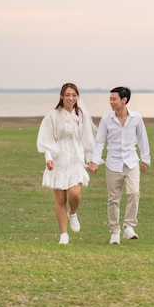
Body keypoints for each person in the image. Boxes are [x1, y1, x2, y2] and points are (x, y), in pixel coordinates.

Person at [88, 86, 151, 245]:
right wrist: (95, 161)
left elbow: (142, 139)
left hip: (131, 162)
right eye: (110, 99)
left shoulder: (136, 118)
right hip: (113, 164)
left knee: (134, 192)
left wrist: (145, 159)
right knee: (113, 199)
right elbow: (100, 141)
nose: (111, 102)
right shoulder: (106, 120)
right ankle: (114, 232)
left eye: (114, 99)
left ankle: (129, 227)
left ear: (124, 100)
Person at [36, 83, 96, 244]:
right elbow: (47, 138)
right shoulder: (53, 116)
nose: (71, 98)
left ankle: (73, 212)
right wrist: (48, 158)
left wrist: (90, 159)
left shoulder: (80, 115)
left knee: (75, 194)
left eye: (74, 95)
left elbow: (87, 139)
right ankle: (63, 234)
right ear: (62, 96)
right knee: (61, 199)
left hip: (76, 159)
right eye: (68, 95)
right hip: (58, 159)